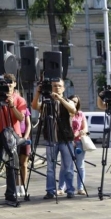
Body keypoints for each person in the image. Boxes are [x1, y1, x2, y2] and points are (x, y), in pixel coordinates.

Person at [32, 79, 77, 199]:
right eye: (54, 86)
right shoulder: (47, 103)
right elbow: (35, 106)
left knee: (68, 167)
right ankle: (50, 191)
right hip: (51, 139)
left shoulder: (68, 101)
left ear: (63, 88)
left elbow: (73, 110)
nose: (57, 88)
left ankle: (70, 190)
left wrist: (60, 99)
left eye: (59, 86)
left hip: (66, 139)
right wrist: (38, 93)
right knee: (50, 168)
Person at [0, 74, 27, 206]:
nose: (8, 84)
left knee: (11, 165)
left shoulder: (19, 99)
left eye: (10, 82)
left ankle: (10, 194)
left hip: (12, 135)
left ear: (15, 84)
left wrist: (11, 106)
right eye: (5, 82)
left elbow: (21, 118)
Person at [66, 95, 88, 195]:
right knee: (66, 166)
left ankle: (80, 187)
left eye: (75, 102)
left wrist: (81, 132)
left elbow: (85, 128)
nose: (73, 103)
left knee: (80, 165)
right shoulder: (65, 114)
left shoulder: (80, 114)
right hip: (68, 141)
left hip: (78, 141)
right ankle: (63, 187)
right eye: (71, 101)